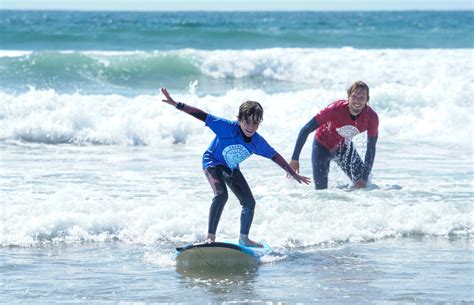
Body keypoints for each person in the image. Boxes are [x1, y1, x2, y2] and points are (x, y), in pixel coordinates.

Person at [160, 88, 311, 247]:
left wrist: (292, 173)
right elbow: (202, 115)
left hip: (231, 167)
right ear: (239, 119)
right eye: (247, 122)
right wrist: (177, 104)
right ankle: (210, 236)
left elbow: (274, 156)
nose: (251, 127)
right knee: (221, 195)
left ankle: (244, 238)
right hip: (212, 162)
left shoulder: (257, 142)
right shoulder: (226, 127)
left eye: (255, 123)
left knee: (249, 203)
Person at [289, 81, 379, 190]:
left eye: (361, 97)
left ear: (367, 99)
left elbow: (371, 149)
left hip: (343, 148)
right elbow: (306, 129)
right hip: (321, 147)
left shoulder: (371, 118)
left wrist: (364, 178)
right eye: (354, 96)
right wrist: (295, 159)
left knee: (364, 185)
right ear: (348, 97)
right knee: (321, 191)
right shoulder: (334, 109)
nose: (357, 101)